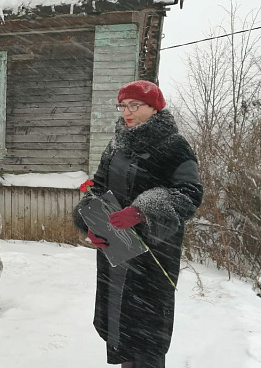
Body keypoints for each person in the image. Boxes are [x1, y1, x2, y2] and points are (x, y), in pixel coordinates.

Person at [73, 80, 203, 368]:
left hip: (153, 253)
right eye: (123, 106)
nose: (127, 112)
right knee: (120, 323)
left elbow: (190, 193)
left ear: (155, 108)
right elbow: (97, 186)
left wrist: (143, 211)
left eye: (135, 105)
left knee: (147, 329)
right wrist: (91, 222)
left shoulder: (174, 145)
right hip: (117, 250)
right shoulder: (117, 144)